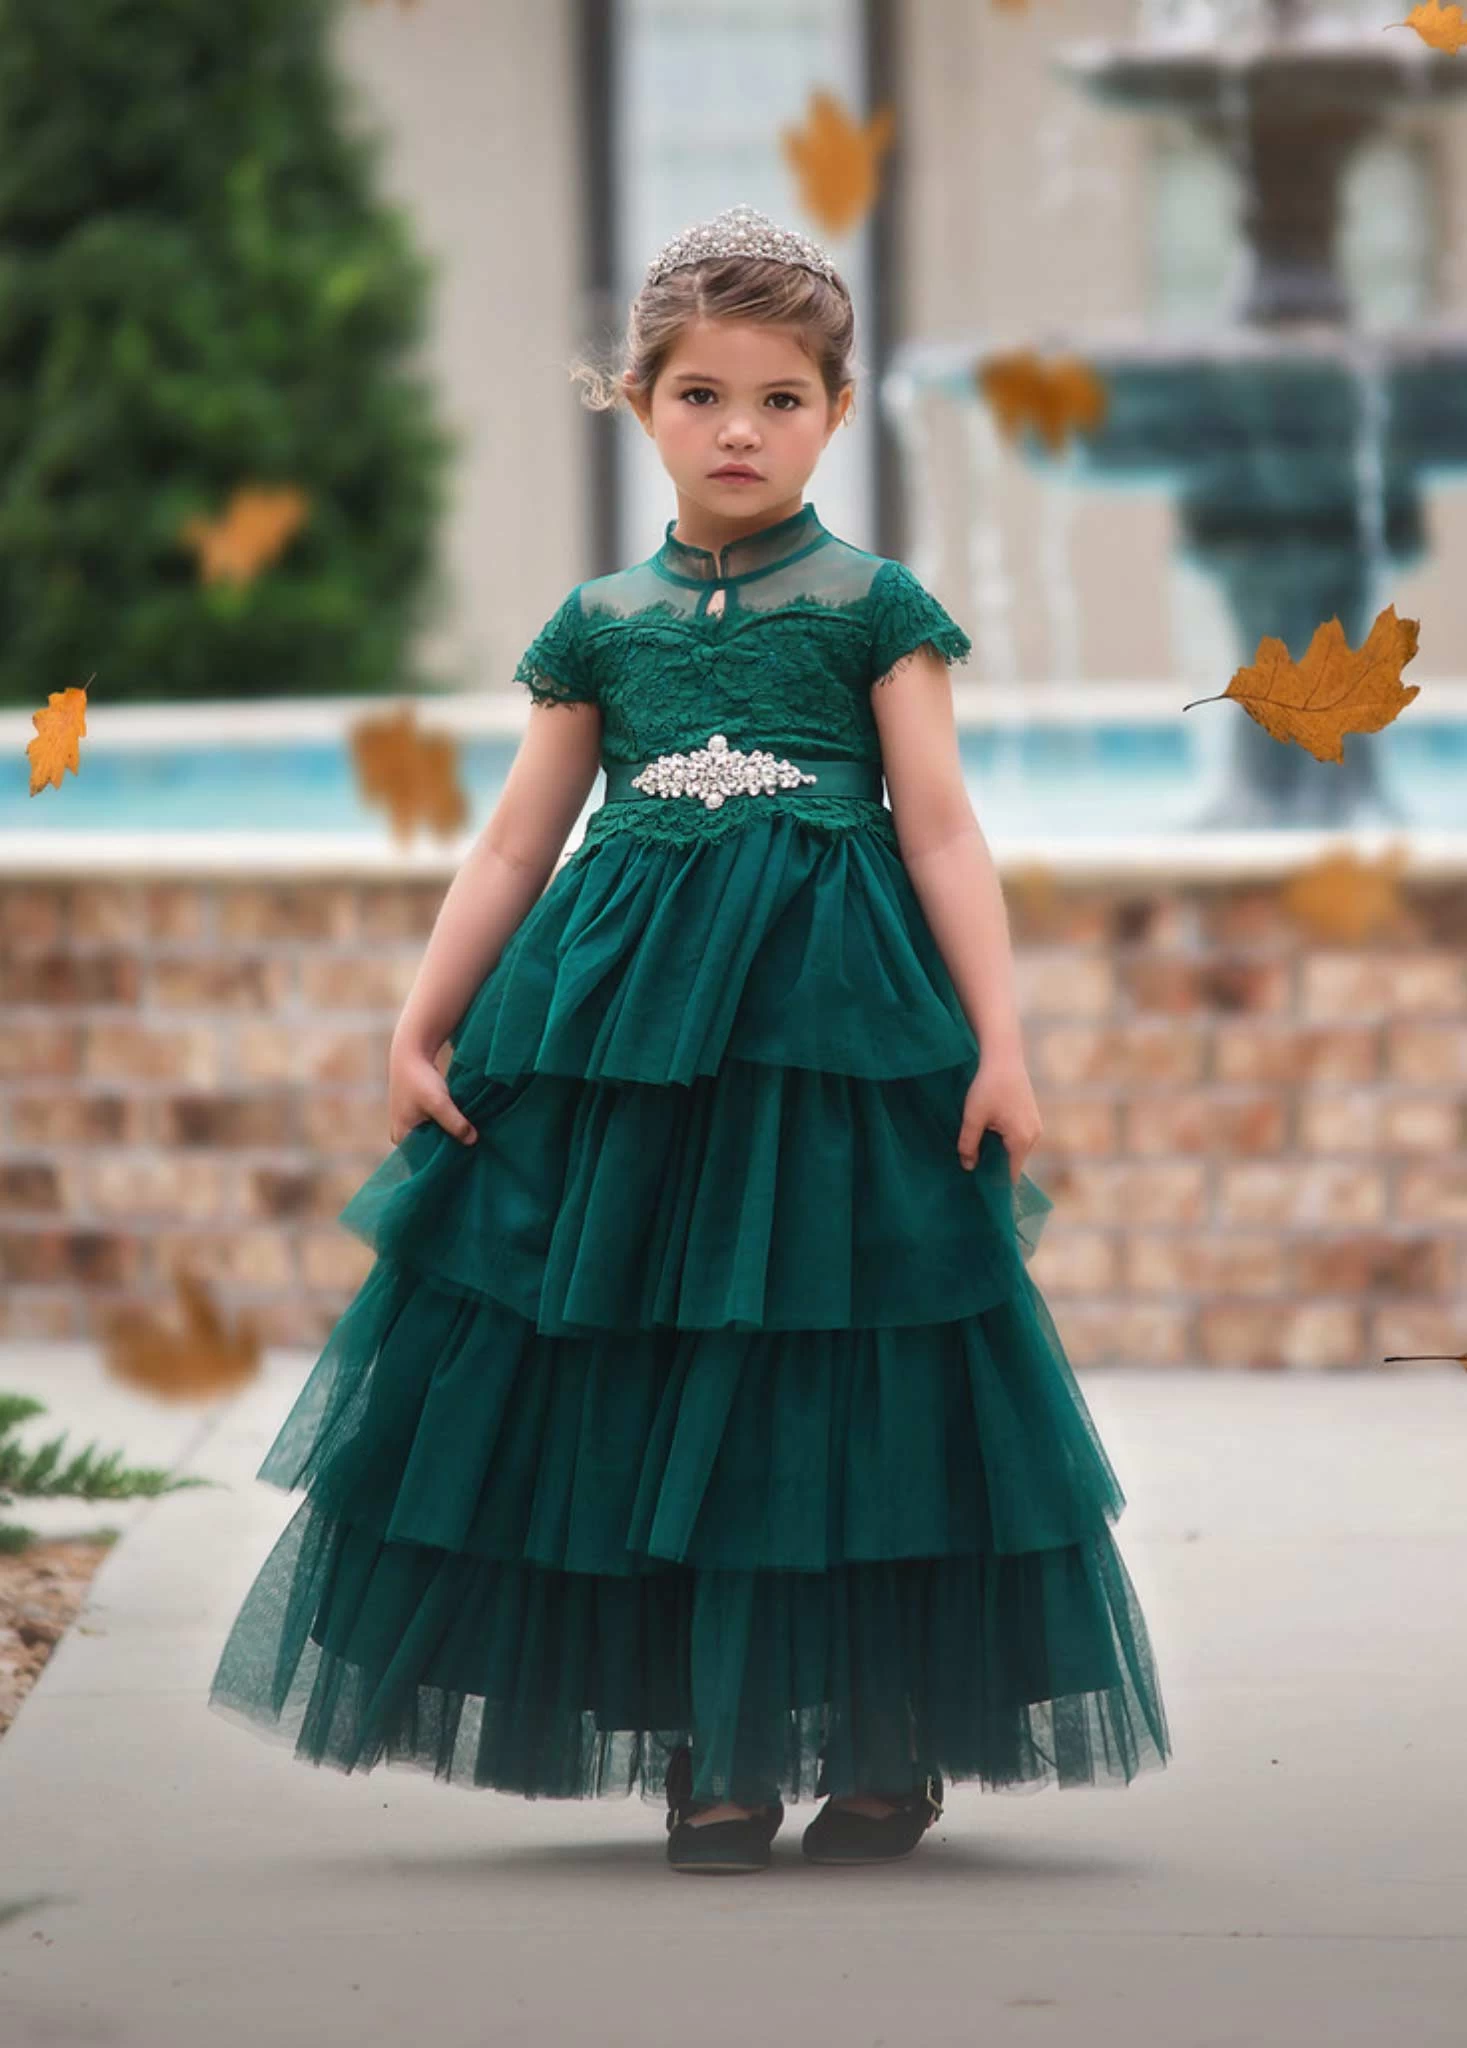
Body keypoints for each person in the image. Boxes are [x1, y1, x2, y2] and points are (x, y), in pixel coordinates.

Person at [207, 202, 1171, 1877]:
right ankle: (709, 1753)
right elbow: (513, 843)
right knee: (633, 1369)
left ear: (835, 414)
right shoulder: (599, 623)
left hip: (832, 1039)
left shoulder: (874, 607)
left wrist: (999, 1046)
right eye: (702, 396)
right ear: (638, 404)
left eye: (780, 400)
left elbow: (942, 831)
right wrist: (422, 1020)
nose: (740, 430)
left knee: (846, 1368)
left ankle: (882, 1746)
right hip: (621, 1045)